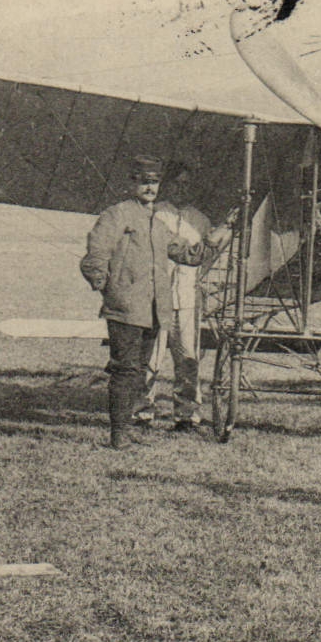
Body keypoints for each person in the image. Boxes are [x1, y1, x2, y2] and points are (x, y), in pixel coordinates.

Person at [79, 155, 233, 449]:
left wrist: (217, 236)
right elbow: (95, 256)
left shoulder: (156, 222)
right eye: (144, 181)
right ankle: (120, 434)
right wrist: (109, 288)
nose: (150, 187)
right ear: (132, 182)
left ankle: (127, 429)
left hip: (154, 311)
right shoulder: (117, 215)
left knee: (137, 369)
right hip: (126, 309)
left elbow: (189, 255)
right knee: (125, 370)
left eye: (154, 182)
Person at [135, 160, 215, 430]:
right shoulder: (156, 214)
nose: (182, 189)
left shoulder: (201, 221)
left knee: (187, 359)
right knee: (149, 358)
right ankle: (142, 411)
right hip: (156, 298)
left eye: (187, 185)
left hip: (188, 300)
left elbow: (206, 259)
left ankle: (186, 415)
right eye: (177, 184)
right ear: (168, 186)